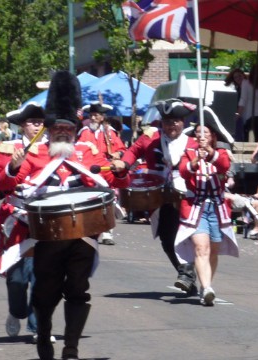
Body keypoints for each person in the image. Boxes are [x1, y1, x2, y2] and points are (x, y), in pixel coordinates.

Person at [0, 71, 130, 360]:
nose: (62, 132)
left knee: (78, 289)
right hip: (46, 236)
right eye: (57, 128)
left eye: (67, 128)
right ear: (49, 129)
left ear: (75, 130)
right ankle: (44, 334)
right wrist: (12, 168)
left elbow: (113, 179)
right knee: (46, 292)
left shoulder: (87, 152)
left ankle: (71, 347)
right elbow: (3, 187)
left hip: (83, 234)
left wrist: (120, 169)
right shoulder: (33, 153)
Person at [0, 102, 53, 342]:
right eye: (33, 122)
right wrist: (7, 176)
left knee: (42, 276)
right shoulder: (8, 148)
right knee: (17, 278)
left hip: (45, 218)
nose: (37, 126)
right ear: (22, 125)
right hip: (16, 217)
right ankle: (16, 311)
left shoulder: (52, 149)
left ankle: (39, 327)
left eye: (41, 122)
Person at [121, 99, 200, 295]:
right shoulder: (150, 138)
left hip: (186, 194)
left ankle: (187, 275)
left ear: (182, 122)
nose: (170, 126)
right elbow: (133, 151)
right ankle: (186, 275)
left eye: (175, 122)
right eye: (166, 122)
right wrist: (123, 163)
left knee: (185, 235)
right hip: (158, 194)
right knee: (167, 238)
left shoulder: (193, 143)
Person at [174, 107, 239, 306]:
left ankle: (205, 286)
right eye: (198, 133)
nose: (201, 136)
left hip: (217, 207)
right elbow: (183, 171)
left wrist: (209, 153)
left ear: (212, 136)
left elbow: (224, 166)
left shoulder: (221, 153)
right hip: (196, 206)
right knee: (201, 247)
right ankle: (208, 288)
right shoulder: (188, 153)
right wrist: (196, 160)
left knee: (213, 250)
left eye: (205, 133)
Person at [77, 101, 126, 245]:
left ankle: (107, 233)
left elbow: (122, 149)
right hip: (88, 172)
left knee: (108, 201)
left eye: (96, 115)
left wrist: (117, 154)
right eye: (91, 115)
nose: (93, 118)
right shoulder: (84, 132)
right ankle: (90, 230)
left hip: (105, 170)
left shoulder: (110, 133)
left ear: (102, 117)